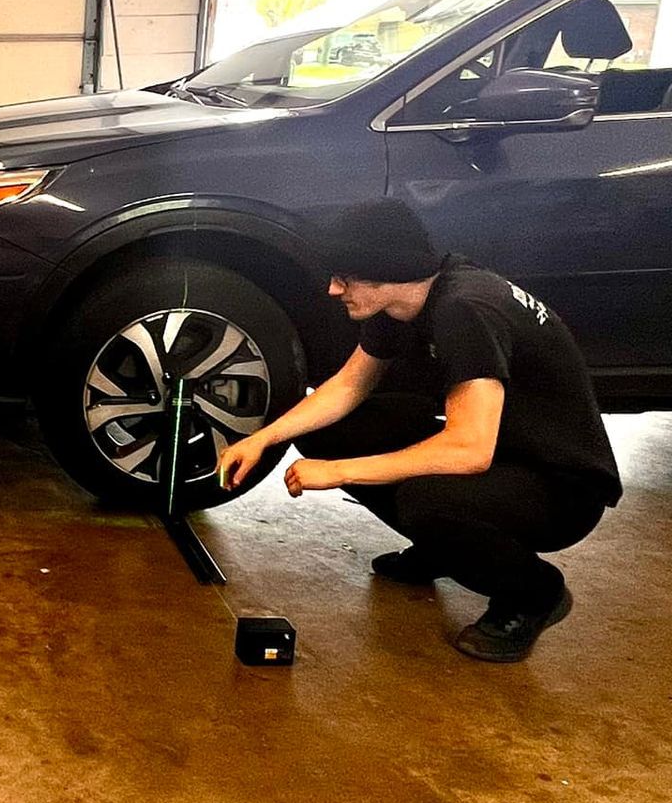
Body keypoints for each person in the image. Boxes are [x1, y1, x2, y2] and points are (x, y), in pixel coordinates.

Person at [217, 198, 621, 662]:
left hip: (560, 487)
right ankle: (445, 548)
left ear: (385, 270)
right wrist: (264, 437)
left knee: (426, 500)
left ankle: (532, 592)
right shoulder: (407, 301)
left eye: (344, 277)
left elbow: (470, 450)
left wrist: (340, 472)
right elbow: (349, 387)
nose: (332, 289)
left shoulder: (464, 310)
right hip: (506, 454)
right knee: (329, 431)